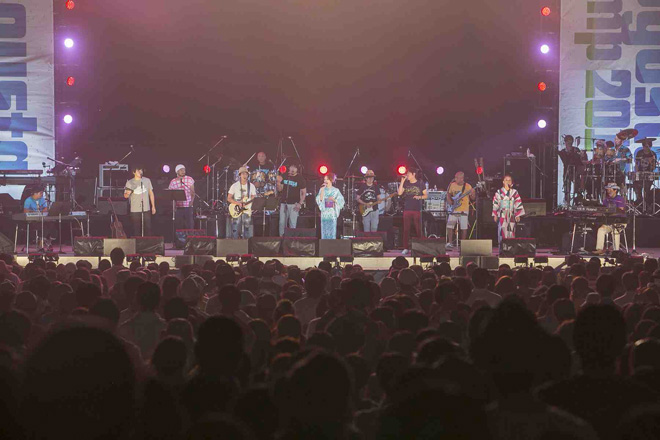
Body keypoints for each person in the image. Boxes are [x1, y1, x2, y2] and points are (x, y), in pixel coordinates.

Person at [398, 168, 427, 254]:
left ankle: (421, 246)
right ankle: (405, 247)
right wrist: (402, 182)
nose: (407, 175)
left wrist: (419, 197)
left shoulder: (420, 183)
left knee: (418, 229)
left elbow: (426, 195)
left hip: (416, 209)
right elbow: (399, 193)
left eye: (408, 174)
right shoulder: (406, 183)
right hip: (407, 209)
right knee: (406, 229)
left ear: (413, 174)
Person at [594, 183, 626, 255]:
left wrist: (610, 212)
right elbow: (603, 210)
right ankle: (599, 249)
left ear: (615, 190)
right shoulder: (606, 200)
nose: (608, 192)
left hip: (620, 221)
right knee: (601, 230)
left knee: (615, 231)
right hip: (609, 222)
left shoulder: (620, 199)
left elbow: (620, 210)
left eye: (610, 190)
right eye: (608, 190)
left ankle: (616, 251)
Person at [124, 165, 156, 237]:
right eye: (138, 170)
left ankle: (148, 242)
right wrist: (128, 193)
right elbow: (125, 196)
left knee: (148, 228)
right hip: (135, 209)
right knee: (136, 229)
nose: (140, 172)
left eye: (141, 170)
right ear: (134, 172)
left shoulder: (147, 180)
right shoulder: (130, 182)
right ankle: (137, 243)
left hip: (146, 208)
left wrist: (153, 206)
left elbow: (151, 193)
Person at [492, 174, 525, 244]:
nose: (508, 181)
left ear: (512, 182)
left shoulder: (514, 192)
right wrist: (495, 214)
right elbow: (495, 204)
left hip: (511, 214)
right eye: (506, 180)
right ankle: (502, 248)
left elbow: (517, 203)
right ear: (503, 182)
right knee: (502, 232)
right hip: (502, 214)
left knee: (511, 232)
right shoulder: (499, 192)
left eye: (509, 180)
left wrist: (517, 215)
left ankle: (510, 248)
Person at [446, 171, 475, 248]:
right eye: (455, 177)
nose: (455, 179)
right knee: (450, 225)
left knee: (464, 227)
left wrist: (473, 193)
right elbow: (448, 194)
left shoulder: (468, 186)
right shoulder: (452, 185)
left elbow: (473, 198)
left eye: (457, 178)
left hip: (464, 209)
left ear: (462, 178)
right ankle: (450, 242)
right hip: (454, 209)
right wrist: (449, 200)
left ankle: (463, 244)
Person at [277, 163, 306, 236]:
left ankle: (291, 239)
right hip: (284, 203)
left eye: (294, 167)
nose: (292, 169)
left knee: (292, 223)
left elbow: (303, 193)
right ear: (289, 168)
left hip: (294, 204)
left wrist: (300, 203)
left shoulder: (300, 178)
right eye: (291, 167)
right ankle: (281, 237)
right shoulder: (285, 176)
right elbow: (280, 189)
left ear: (297, 169)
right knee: (282, 222)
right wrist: (278, 183)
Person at [227, 166, 256, 239]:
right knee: (235, 227)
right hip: (237, 209)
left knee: (247, 227)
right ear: (239, 175)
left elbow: (253, 198)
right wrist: (238, 203)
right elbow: (229, 198)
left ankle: (247, 243)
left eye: (246, 174)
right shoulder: (234, 186)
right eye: (243, 174)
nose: (244, 175)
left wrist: (250, 203)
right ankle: (235, 242)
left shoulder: (251, 186)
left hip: (247, 209)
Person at [316, 173, 345, 239]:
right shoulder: (322, 189)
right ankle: (324, 243)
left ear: (331, 180)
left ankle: (331, 243)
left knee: (331, 230)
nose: (325, 181)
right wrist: (322, 189)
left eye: (327, 179)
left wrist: (334, 200)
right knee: (324, 230)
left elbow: (341, 201)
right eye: (324, 179)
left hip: (332, 213)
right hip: (324, 212)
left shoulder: (336, 190)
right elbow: (320, 200)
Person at [167, 164, 195, 230]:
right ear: (177, 171)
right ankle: (179, 237)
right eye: (181, 170)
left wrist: (191, 202)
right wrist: (173, 206)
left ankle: (190, 236)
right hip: (178, 207)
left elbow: (193, 192)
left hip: (188, 206)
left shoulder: (189, 179)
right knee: (179, 225)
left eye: (184, 170)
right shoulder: (173, 181)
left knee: (189, 225)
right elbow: (171, 195)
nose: (183, 171)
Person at [633, 138, 657, 207]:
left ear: (650, 146)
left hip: (649, 174)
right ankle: (639, 201)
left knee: (647, 189)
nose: (645, 148)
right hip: (640, 173)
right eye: (644, 146)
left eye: (647, 146)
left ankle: (647, 204)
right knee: (637, 187)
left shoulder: (653, 154)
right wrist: (636, 173)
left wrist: (651, 161)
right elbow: (636, 164)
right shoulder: (639, 153)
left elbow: (653, 167)